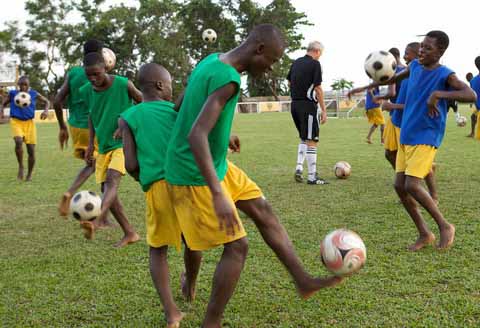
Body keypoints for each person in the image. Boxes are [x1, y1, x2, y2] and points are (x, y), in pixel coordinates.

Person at [165, 24, 342, 328]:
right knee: (237, 247)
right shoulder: (230, 80)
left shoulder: (211, 60)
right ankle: (212, 322)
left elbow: (182, 105)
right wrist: (218, 193)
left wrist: (223, 133)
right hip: (194, 171)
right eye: (271, 61)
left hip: (218, 162)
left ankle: (303, 280)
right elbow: (196, 135)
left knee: (264, 211)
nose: (270, 68)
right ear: (258, 49)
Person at [349, 31, 477, 251]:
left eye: (428, 48)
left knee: (412, 185)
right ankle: (424, 233)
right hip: (408, 134)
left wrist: (438, 94)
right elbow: (393, 78)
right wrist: (366, 88)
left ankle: (445, 226)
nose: (422, 51)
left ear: (441, 52)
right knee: (399, 185)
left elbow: (471, 95)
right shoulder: (415, 67)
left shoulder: (446, 74)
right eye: (422, 47)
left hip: (427, 135)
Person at [120, 63, 201, 327]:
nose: (171, 90)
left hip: (157, 186)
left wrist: (143, 179)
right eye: (169, 85)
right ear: (159, 86)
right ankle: (190, 283)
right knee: (193, 240)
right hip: (186, 183)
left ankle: (171, 312)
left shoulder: (129, 116)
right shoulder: (175, 112)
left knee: (158, 250)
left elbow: (130, 164)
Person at [79, 51, 143, 247]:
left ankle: (97, 221)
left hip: (124, 143)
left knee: (112, 181)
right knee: (107, 191)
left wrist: (125, 123)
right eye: (88, 75)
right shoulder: (86, 90)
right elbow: (91, 115)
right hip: (104, 145)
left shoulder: (124, 84)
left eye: (96, 74)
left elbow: (144, 102)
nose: (92, 79)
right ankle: (130, 233)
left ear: (105, 68)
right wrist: (90, 144)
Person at [382, 42, 438, 203]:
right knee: (389, 153)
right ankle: (405, 183)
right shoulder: (408, 74)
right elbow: (394, 91)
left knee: (421, 164)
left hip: (409, 123)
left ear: (417, 55)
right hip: (397, 119)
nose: (405, 56)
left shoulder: (422, 77)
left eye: (408, 53)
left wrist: (392, 105)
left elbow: (417, 105)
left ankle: (433, 195)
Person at [54, 39, 105, 217]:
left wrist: (62, 128)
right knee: (98, 166)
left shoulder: (74, 73)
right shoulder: (100, 72)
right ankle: (71, 192)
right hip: (94, 126)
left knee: (97, 167)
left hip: (75, 127)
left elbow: (57, 100)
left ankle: (104, 215)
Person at [287, 41, 328, 185]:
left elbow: (290, 83)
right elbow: (318, 88)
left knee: (304, 138)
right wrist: (323, 110)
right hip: (308, 106)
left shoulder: (296, 62)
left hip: (294, 105)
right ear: (317, 51)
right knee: (312, 140)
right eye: (320, 54)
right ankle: (312, 177)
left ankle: (299, 167)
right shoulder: (315, 64)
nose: (320, 57)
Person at [1, 76, 50, 181]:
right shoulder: (13, 94)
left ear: (28, 85)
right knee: (18, 141)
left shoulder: (33, 94)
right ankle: (21, 166)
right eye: (21, 85)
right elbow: (3, 103)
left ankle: (29, 174)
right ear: (18, 85)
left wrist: (46, 111)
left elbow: (47, 102)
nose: (23, 87)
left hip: (29, 123)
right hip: (16, 121)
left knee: (31, 151)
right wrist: (1, 111)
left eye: (25, 85)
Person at [467, 60, 480, 139]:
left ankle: (472, 133)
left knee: (473, 116)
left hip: (478, 108)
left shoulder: (473, 81)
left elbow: (472, 96)